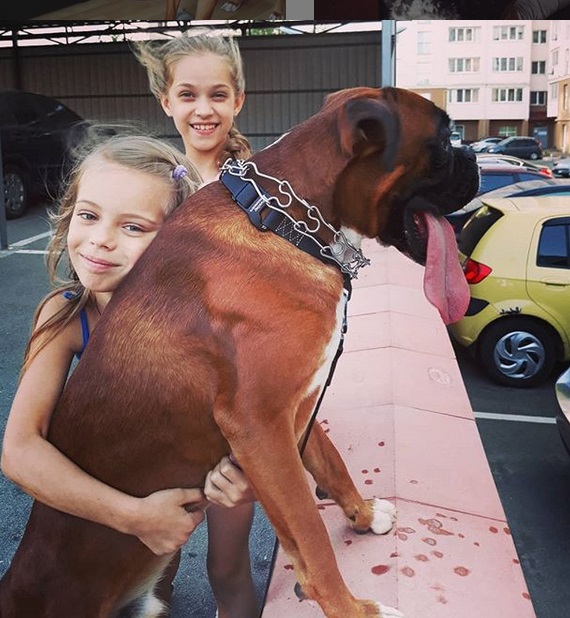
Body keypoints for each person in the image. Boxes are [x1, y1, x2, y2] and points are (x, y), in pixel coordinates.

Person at [0, 134, 230, 607]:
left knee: (151, 598)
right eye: (89, 215)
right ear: (68, 213)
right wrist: (134, 516)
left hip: (158, 538)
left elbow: (244, 418)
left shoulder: (202, 325)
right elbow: (19, 451)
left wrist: (240, 475)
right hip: (90, 522)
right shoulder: (67, 314)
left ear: (177, 242)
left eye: (134, 227)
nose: (102, 238)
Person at [133, 31, 260, 618]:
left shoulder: (262, 189)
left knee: (228, 568)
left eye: (217, 95)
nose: (202, 109)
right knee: (158, 559)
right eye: (187, 94)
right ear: (166, 101)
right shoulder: (153, 182)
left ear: (238, 99)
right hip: (166, 408)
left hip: (237, 411)